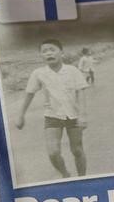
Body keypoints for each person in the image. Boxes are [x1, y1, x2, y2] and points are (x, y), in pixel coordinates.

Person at [16, 38, 89, 178]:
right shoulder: (38, 73)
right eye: (44, 51)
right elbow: (29, 94)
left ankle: (82, 178)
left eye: (52, 50)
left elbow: (81, 91)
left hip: (73, 116)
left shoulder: (72, 70)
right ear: (41, 55)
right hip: (52, 116)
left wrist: (83, 115)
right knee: (53, 152)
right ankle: (65, 174)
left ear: (61, 53)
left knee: (77, 150)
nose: (49, 53)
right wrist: (21, 115)